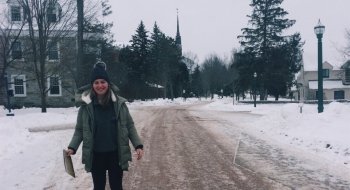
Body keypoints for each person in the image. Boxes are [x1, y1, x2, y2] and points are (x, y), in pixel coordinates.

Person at [66, 61, 144, 190]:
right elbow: (79, 130)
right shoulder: (86, 106)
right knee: (98, 187)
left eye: (103, 82)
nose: (100, 85)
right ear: (92, 85)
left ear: (108, 83)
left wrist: (138, 145)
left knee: (116, 186)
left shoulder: (119, 104)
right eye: (96, 82)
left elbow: (129, 126)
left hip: (115, 154)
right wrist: (72, 147)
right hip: (96, 155)